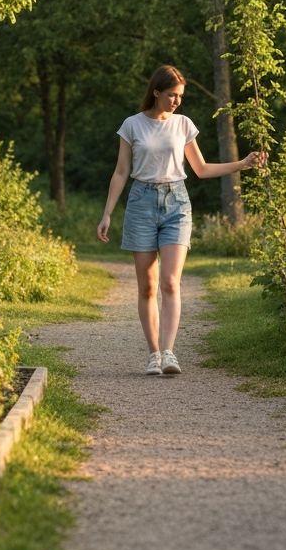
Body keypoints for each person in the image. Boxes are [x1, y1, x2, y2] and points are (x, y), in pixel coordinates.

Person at [96, 64, 267, 376]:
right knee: (147, 286)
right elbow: (121, 172)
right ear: (156, 92)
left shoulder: (183, 124)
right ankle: (153, 355)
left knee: (170, 282)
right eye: (172, 95)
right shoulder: (132, 125)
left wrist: (242, 164)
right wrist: (107, 213)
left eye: (180, 96)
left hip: (177, 203)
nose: (176, 101)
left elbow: (200, 169)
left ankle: (169, 352)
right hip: (141, 203)